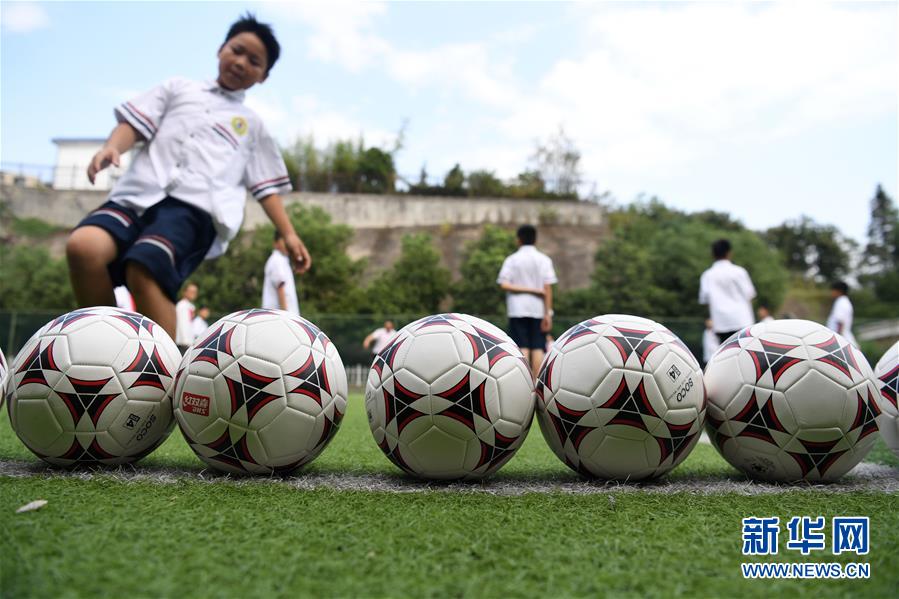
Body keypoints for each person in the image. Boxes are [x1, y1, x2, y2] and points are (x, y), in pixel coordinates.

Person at [65, 13, 311, 342]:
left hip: (193, 210)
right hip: (137, 194)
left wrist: (289, 234)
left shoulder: (252, 126)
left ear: (263, 76)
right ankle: (104, 346)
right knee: (83, 247)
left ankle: (163, 368)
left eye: (254, 61)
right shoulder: (178, 88)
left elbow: (266, 187)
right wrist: (113, 147)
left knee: (145, 267)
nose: (241, 62)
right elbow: (135, 125)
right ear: (221, 48)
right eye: (236, 50)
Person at [497, 224, 558, 377]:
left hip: (517, 310)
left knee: (521, 347)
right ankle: (537, 385)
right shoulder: (544, 260)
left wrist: (529, 290)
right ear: (535, 239)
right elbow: (547, 288)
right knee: (538, 348)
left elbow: (504, 284)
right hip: (538, 310)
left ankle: (523, 383)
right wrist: (548, 314)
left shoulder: (512, 260)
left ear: (518, 240)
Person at [699, 239, 756, 344]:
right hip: (742, 321)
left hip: (721, 323)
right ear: (729, 253)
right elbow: (750, 295)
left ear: (712, 254)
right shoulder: (739, 272)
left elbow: (705, 300)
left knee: (727, 351)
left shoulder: (707, 275)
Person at [262, 230, 300, 315]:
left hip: (281, 316)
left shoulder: (282, 260)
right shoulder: (277, 260)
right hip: (279, 317)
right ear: (275, 243)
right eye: (284, 241)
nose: (288, 245)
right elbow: (280, 287)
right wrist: (285, 317)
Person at [826, 281, 858, 346]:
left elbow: (840, 323)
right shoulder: (842, 301)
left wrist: (837, 342)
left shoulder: (842, 303)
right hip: (844, 339)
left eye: (833, 290)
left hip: (842, 341)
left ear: (839, 291)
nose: (831, 292)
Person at [175, 283, 198, 352]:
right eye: (191, 291)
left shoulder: (190, 306)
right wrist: (186, 342)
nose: (193, 294)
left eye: (195, 292)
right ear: (185, 292)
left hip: (189, 343)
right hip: (184, 344)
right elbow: (182, 324)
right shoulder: (181, 305)